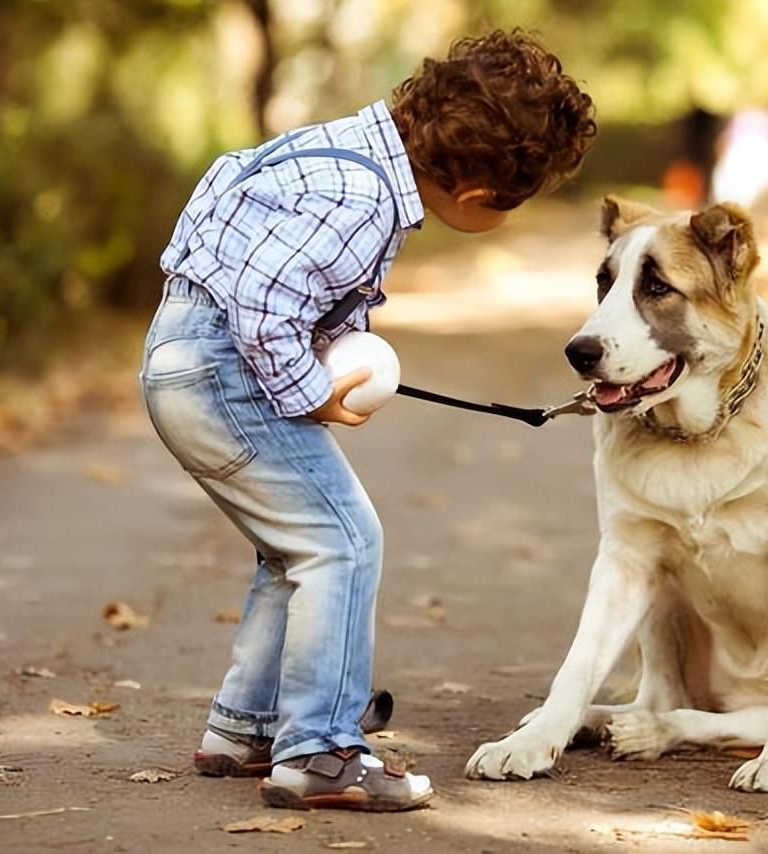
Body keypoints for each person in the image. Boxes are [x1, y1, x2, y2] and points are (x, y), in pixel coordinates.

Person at [139, 29, 596, 811]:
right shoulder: (362, 198)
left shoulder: (339, 147)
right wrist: (307, 390)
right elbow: (261, 303)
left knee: (298, 546)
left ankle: (246, 726)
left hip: (183, 353)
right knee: (344, 542)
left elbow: (229, 222)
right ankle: (319, 749)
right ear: (481, 195)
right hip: (222, 368)